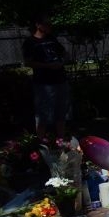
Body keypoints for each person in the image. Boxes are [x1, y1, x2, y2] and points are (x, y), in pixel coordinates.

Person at [22, 13, 70, 141]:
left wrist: (61, 62)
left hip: (60, 80)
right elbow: (28, 62)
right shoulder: (30, 42)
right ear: (38, 25)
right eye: (46, 24)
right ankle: (40, 143)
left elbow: (64, 53)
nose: (49, 27)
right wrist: (47, 66)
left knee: (61, 114)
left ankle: (61, 141)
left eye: (50, 24)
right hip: (44, 84)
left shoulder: (52, 39)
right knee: (43, 115)